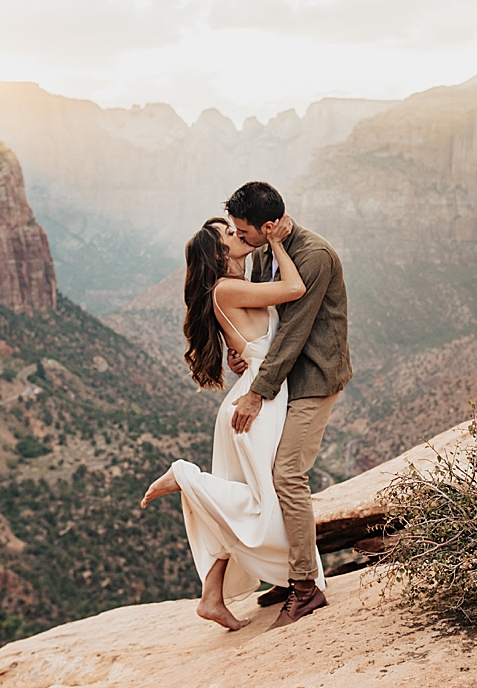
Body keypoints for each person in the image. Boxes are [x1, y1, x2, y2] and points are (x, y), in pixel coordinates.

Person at [141, 214, 320, 631]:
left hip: (248, 396)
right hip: (257, 405)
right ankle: (185, 476)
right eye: (228, 234)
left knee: (238, 495)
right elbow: (295, 289)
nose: (238, 235)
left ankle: (212, 597)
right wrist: (275, 242)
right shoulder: (229, 286)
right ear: (220, 253)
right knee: (262, 500)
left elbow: (255, 341)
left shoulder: (228, 288)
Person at [224, 179, 353, 628]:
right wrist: (245, 349)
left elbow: (296, 330)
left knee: (286, 473)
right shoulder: (266, 251)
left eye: (244, 232)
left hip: (313, 377)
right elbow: (269, 321)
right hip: (282, 376)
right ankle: (285, 572)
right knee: (263, 468)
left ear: (269, 225)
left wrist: (257, 391)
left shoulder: (313, 256)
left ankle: (305, 587)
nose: (239, 239)